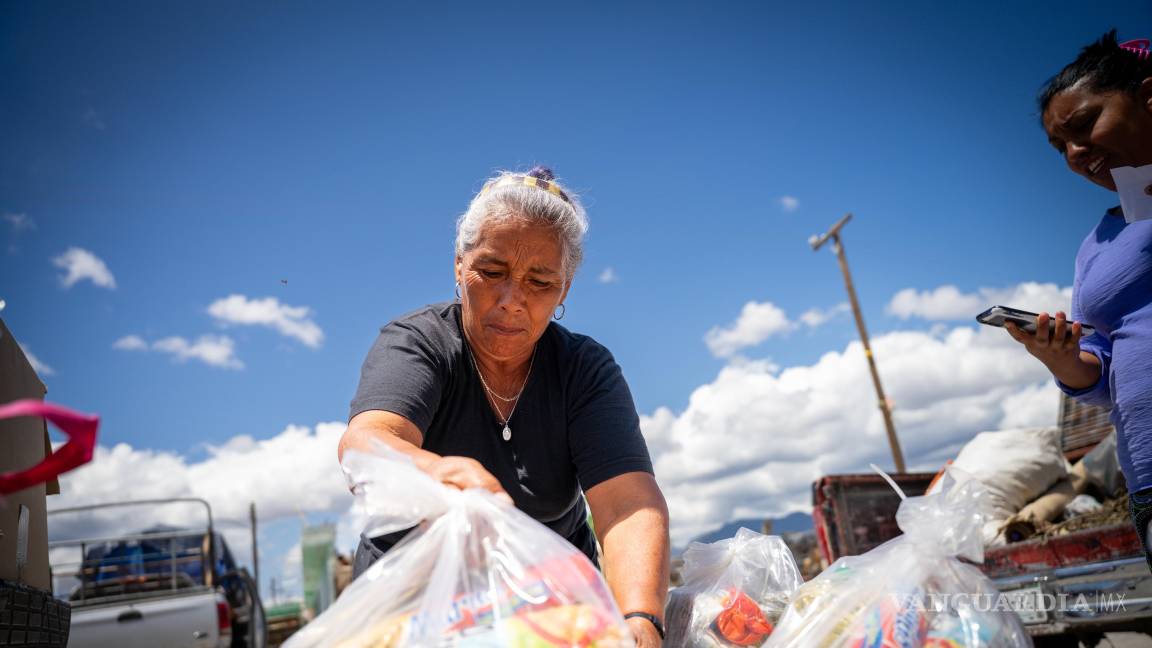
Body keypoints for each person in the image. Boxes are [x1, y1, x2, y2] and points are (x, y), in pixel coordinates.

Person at [339, 167, 671, 646]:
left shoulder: (582, 369)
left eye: (540, 282)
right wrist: (437, 473)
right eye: (492, 273)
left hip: (552, 608)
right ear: (459, 266)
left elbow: (627, 504)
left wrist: (640, 620)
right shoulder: (418, 344)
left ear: (564, 289)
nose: (512, 300)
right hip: (413, 607)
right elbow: (369, 441)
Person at [1007, 30, 1152, 566]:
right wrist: (1064, 359)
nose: (1075, 152)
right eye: (1059, 145)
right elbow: (1104, 370)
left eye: (1085, 124)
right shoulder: (1097, 245)